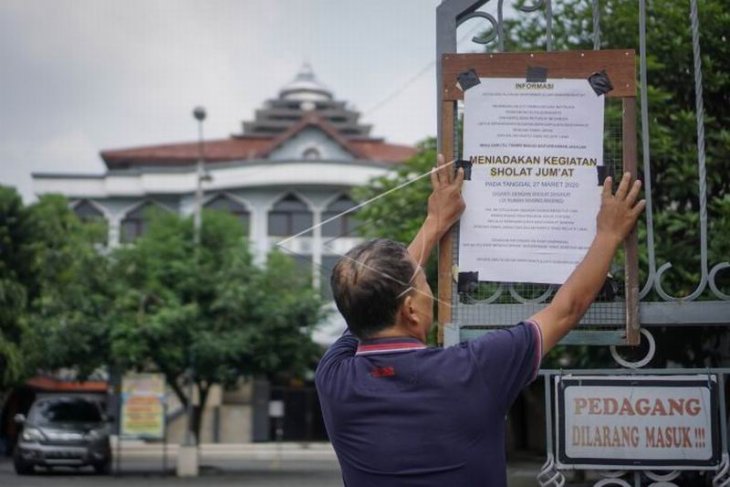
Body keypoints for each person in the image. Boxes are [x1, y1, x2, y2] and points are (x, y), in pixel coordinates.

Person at [315, 154, 645, 486]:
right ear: (411, 310)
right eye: (425, 283)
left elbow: (369, 293)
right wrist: (608, 233)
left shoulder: (333, 378)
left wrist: (435, 223)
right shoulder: (475, 368)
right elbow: (567, 309)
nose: (430, 290)